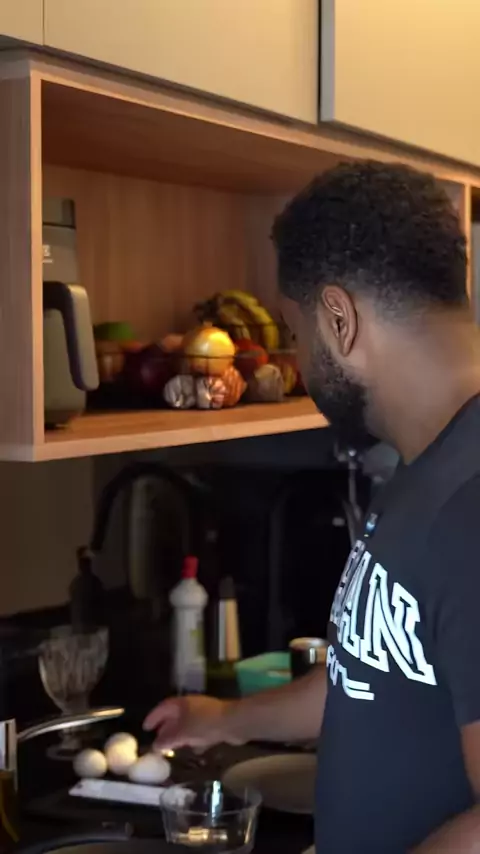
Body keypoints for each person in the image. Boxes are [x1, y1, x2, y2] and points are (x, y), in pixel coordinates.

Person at [145, 161, 480, 853]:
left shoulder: (471, 499)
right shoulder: (425, 464)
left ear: (339, 318)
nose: (299, 358)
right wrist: (224, 719)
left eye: (298, 333)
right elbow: (371, 676)